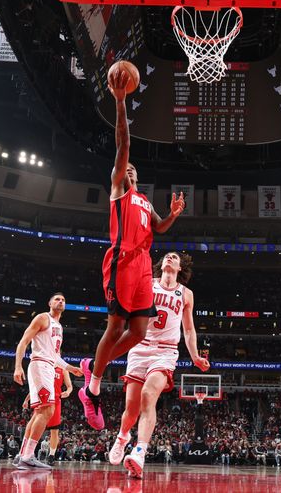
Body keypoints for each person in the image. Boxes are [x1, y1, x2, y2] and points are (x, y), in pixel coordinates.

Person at [78, 67, 186, 431]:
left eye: (135, 171)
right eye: (128, 169)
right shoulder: (119, 189)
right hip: (122, 261)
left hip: (143, 265)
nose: (132, 171)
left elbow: (159, 228)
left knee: (139, 330)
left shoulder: (142, 199)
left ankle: (95, 368)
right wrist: (121, 103)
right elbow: (123, 145)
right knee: (115, 328)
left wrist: (171, 215)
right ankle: (92, 389)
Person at [107, 252, 209, 479]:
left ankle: (140, 452)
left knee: (148, 395)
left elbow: (189, 330)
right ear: (161, 265)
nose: (170, 257)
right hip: (139, 345)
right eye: (167, 256)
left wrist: (194, 356)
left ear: (181, 267)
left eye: (175, 257)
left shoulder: (186, 294)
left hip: (165, 351)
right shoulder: (147, 283)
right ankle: (123, 437)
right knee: (131, 409)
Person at [13, 292, 83, 469]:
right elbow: (23, 342)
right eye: (57, 299)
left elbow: (55, 356)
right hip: (39, 365)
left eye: (63, 300)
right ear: (50, 303)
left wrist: (70, 368)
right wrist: (18, 366)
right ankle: (28, 456)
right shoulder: (42, 318)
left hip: (48, 366)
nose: (61, 301)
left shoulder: (59, 327)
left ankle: (22, 454)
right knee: (47, 410)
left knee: (38, 413)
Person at [22, 365, 73, 465]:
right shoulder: (44, 366)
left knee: (54, 431)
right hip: (42, 399)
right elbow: (37, 386)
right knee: (34, 426)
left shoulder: (62, 369)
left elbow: (70, 386)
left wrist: (68, 392)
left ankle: (51, 455)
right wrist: (27, 399)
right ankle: (25, 453)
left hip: (55, 401)